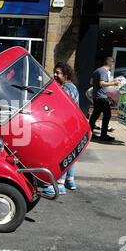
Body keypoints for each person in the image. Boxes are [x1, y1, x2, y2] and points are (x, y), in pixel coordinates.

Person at [44, 62, 79, 196]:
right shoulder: (72, 87)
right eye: (55, 72)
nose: (55, 75)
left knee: (62, 154)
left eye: (58, 73)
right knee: (71, 153)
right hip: (72, 126)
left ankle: (59, 184)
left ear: (65, 74)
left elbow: (62, 110)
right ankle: (70, 180)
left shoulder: (65, 89)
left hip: (65, 126)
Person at [88, 56, 120, 141]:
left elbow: (91, 82)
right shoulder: (103, 71)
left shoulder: (97, 70)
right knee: (107, 115)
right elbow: (102, 83)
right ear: (111, 65)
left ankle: (89, 133)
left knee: (95, 115)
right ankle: (103, 135)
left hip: (96, 96)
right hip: (101, 97)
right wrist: (114, 83)